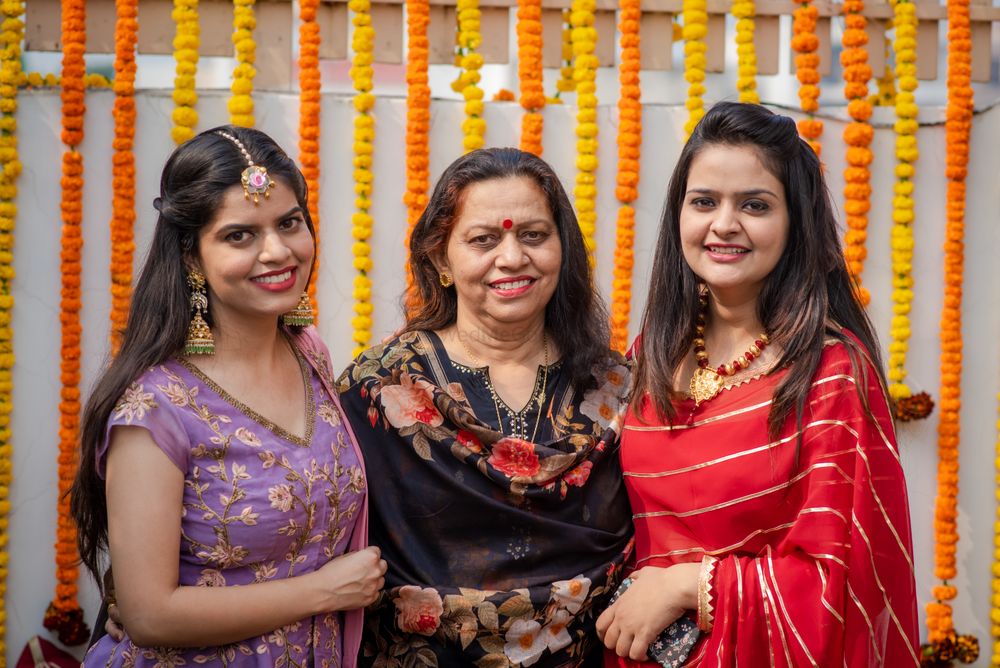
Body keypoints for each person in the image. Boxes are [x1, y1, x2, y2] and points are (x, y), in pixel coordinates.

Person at [596, 102, 919, 666]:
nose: (724, 223)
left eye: (755, 205)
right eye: (704, 202)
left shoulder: (830, 372)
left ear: (796, 223)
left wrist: (685, 586)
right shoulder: (652, 353)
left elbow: (841, 580)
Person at [70, 126, 386, 668]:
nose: (278, 251)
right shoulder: (155, 411)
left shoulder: (308, 353)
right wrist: (326, 593)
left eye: (289, 223)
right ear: (192, 257)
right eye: (240, 235)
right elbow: (148, 616)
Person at [337, 147, 634, 666]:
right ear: (439, 259)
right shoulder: (381, 387)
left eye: (534, 235)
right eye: (484, 239)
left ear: (563, 249)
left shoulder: (617, 388)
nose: (513, 257)